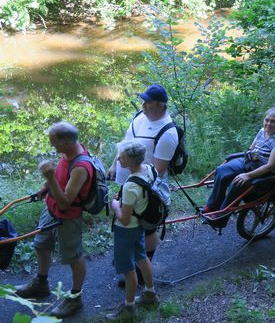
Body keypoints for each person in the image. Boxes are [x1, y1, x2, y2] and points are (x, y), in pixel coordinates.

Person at [15, 122, 93, 319]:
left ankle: (75, 298)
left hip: (67, 217)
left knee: (73, 258)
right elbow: (59, 177)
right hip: (51, 210)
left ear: (66, 141)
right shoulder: (68, 152)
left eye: (54, 142)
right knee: (41, 245)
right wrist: (46, 186)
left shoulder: (81, 167)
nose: (53, 146)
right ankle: (41, 284)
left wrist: (49, 178)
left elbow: (66, 202)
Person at [107, 84, 178, 287]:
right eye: (144, 101)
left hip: (146, 189)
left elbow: (158, 170)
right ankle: (131, 260)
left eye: (148, 102)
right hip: (128, 182)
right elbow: (125, 144)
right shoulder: (140, 117)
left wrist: (135, 192)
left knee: (146, 226)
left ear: (160, 106)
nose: (143, 105)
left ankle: (142, 264)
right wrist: (114, 165)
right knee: (129, 224)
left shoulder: (168, 132)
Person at [201, 108, 275, 226]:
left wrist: (247, 175)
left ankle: (220, 218)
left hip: (266, 173)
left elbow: (270, 166)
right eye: (266, 120)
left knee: (237, 182)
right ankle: (212, 207)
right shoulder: (262, 131)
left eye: (273, 121)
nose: (268, 124)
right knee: (221, 170)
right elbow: (251, 149)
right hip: (251, 163)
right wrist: (250, 153)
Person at [106, 141, 159, 322]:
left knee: (129, 271)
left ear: (130, 159)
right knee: (142, 258)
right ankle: (150, 294)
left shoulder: (130, 186)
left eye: (122, 156)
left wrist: (115, 205)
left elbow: (124, 218)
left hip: (126, 230)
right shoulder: (150, 169)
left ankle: (129, 308)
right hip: (139, 227)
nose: (118, 159)